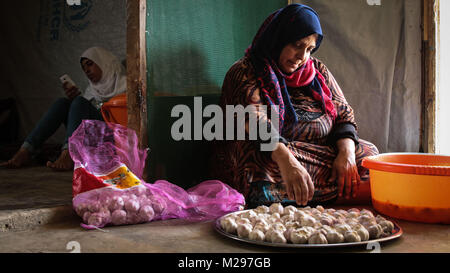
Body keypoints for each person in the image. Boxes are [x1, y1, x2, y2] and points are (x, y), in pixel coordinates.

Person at [210, 4, 379, 208]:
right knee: (257, 163)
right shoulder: (246, 70)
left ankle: (301, 194)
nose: (302, 56)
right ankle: (342, 193)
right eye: (297, 45)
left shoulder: (317, 71)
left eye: (309, 49)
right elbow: (255, 124)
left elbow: (343, 115)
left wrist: (346, 155)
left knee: (369, 154)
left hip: (313, 153)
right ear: (278, 39)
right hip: (272, 153)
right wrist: (288, 162)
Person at [1, 47, 126, 171]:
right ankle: (26, 150)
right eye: (84, 68)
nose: (87, 70)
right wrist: (78, 101)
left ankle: (68, 154)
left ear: (104, 62)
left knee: (79, 102)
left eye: (90, 64)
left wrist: (81, 103)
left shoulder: (126, 84)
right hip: (93, 139)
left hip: (115, 139)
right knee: (63, 103)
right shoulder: (92, 90)